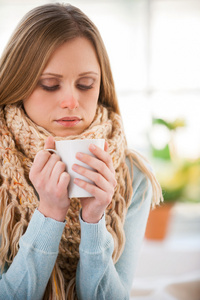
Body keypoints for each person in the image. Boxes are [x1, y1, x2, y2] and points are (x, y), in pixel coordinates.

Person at [0, 3, 162, 300]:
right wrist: (49, 214)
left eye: (86, 84)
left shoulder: (131, 177)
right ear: (18, 83)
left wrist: (94, 219)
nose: (71, 101)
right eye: (50, 85)